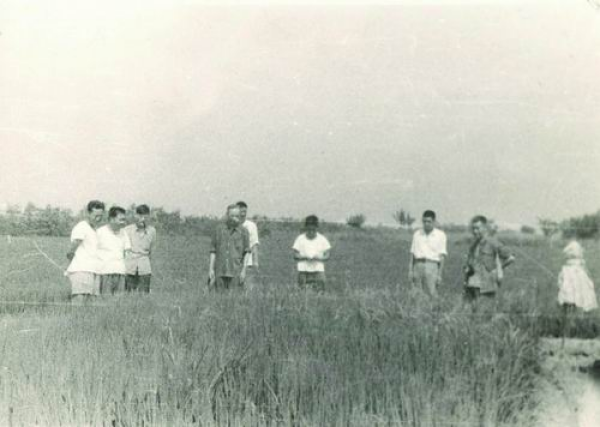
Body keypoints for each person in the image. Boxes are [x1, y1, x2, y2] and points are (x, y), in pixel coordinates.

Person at [463, 215, 515, 310]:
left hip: (486, 286)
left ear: (485, 228)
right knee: (470, 312)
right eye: (473, 228)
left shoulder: (492, 242)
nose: (475, 231)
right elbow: (470, 263)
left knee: (484, 312)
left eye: (477, 228)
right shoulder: (474, 245)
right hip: (472, 285)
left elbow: (510, 258)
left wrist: (498, 269)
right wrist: (467, 273)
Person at [558, 230, 598, 343]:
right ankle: (570, 331)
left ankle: (572, 331)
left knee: (572, 297)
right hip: (574, 272)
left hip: (573, 272)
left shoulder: (573, 250)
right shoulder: (575, 249)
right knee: (573, 297)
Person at [66, 200, 105, 304]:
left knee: (92, 304)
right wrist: (71, 264)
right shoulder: (82, 227)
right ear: (88, 213)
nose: (98, 219)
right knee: (79, 301)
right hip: (82, 270)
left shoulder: (95, 230)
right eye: (96, 216)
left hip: (94, 270)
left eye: (101, 216)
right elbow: (71, 250)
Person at [208, 204, 250, 290]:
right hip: (220, 272)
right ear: (227, 215)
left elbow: (247, 252)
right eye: (232, 216)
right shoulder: (218, 230)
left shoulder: (244, 232)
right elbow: (213, 251)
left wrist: (244, 271)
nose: (235, 218)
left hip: (236, 272)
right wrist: (211, 269)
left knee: (234, 297)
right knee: (218, 296)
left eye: (237, 216)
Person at [408, 210, 447, 297]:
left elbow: (442, 256)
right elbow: (412, 254)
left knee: (432, 293)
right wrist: (410, 271)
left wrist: (439, 275)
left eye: (429, 221)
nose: (426, 224)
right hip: (418, 265)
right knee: (417, 293)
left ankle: (434, 306)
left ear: (434, 222)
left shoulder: (441, 235)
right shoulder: (417, 234)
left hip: (432, 266)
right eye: (424, 221)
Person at [97, 206, 131, 294]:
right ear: (111, 219)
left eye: (124, 219)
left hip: (120, 272)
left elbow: (127, 252)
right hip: (105, 272)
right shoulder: (100, 232)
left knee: (119, 300)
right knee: (106, 299)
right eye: (121, 219)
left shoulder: (124, 233)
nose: (123, 222)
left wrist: (126, 270)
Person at [292, 215, 331, 292]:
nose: (311, 231)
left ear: (317, 228)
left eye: (313, 229)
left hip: (318, 270)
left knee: (320, 291)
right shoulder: (300, 239)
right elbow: (295, 255)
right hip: (303, 270)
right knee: (302, 291)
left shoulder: (322, 239)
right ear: (306, 228)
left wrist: (319, 258)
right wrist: (304, 257)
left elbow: (327, 255)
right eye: (309, 229)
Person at [124, 204, 157, 293]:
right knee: (129, 292)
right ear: (136, 216)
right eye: (140, 217)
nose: (143, 220)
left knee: (144, 293)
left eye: (145, 217)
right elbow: (124, 250)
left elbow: (152, 250)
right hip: (130, 265)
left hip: (144, 265)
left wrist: (149, 265)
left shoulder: (152, 231)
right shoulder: (127, 230)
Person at [237, 201, 260, 290]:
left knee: (248, 288)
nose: (243, 214)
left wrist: (256, 262)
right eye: (241, 212)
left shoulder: (251, 225)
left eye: (245, 212)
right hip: (234, 263)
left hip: (248, 263)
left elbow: (254, 244)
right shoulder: (233, 225)